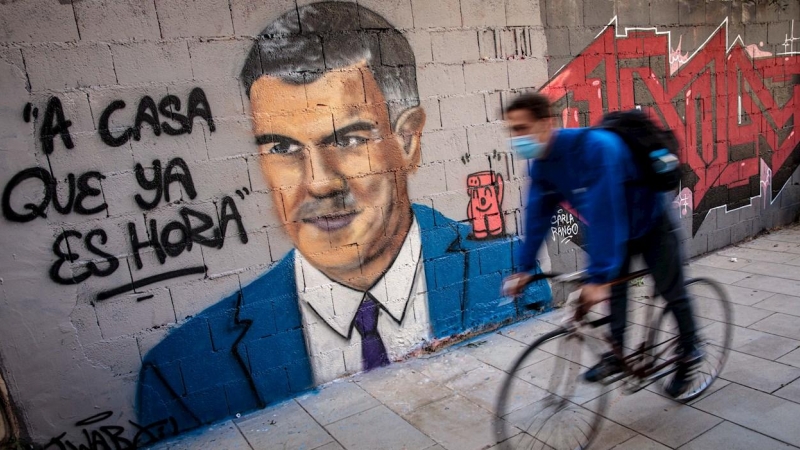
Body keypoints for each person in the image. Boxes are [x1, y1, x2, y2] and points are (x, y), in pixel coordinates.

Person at [136, 2, 550, 431]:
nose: (318, 182)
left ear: (407, 141)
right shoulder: (180, 377)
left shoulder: (505, 267)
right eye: (281, 148)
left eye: (349, 139)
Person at [501, 93, 701, 398]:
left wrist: (600, 277)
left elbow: (606, 211)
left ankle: (690, 351)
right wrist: (525, 268)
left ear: (546, 123)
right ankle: (617, 354)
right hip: (616, 229)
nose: (518, 138)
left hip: (650, 221)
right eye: (513, 131)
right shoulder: (541, 165)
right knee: (614, 292)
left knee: (671, 289)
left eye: (522, 128)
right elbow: (537, 216)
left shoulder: (594, 149)